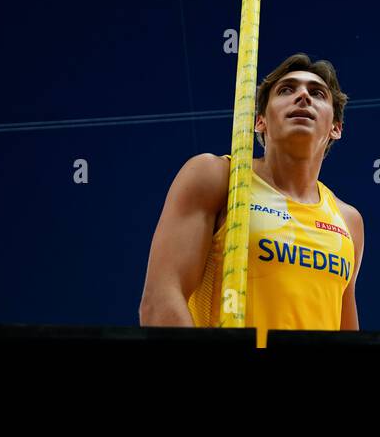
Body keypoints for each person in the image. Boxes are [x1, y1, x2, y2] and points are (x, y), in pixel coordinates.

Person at [138, 53, 364, 348]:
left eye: (317, 93)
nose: (303, 97)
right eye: (287, 90)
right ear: (260, 121)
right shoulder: (218, 177)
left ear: (336, 127)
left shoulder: (347, 220)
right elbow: (159, 301)